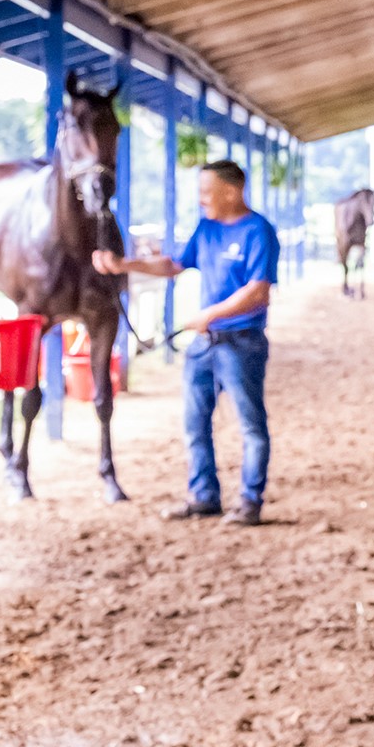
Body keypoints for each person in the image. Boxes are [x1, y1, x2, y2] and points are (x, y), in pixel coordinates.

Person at [93, 159, 281, 527]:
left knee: (250, 425)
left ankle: (249, 501)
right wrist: (124, 265)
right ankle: (204, 496)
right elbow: (174, 264)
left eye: (206, 192)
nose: (201, 199)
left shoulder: (259, 231)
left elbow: (258, 291)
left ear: (232, 191)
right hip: (204, 345)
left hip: (242, 343)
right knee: (195, 423)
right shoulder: (207, 229)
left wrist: (209, 315)